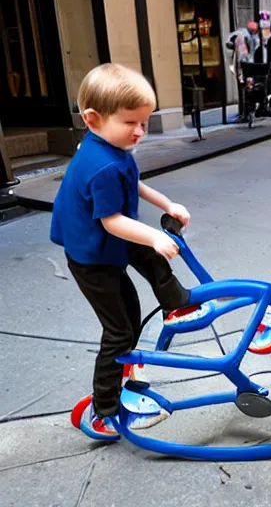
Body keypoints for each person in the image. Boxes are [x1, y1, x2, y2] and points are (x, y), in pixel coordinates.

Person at [50, 63, 192, 437]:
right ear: (94, 119)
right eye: (132, 122)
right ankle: (104, 407)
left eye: (145, 122)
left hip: (105, 242)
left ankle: (176, 305)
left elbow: (136, 183)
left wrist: (167, 204)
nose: (140, 132)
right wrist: (154, 235)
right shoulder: (101, 166)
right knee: (118, 329)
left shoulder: (113, 148)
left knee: (143, 269)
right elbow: (112, 221)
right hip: (92, 256)